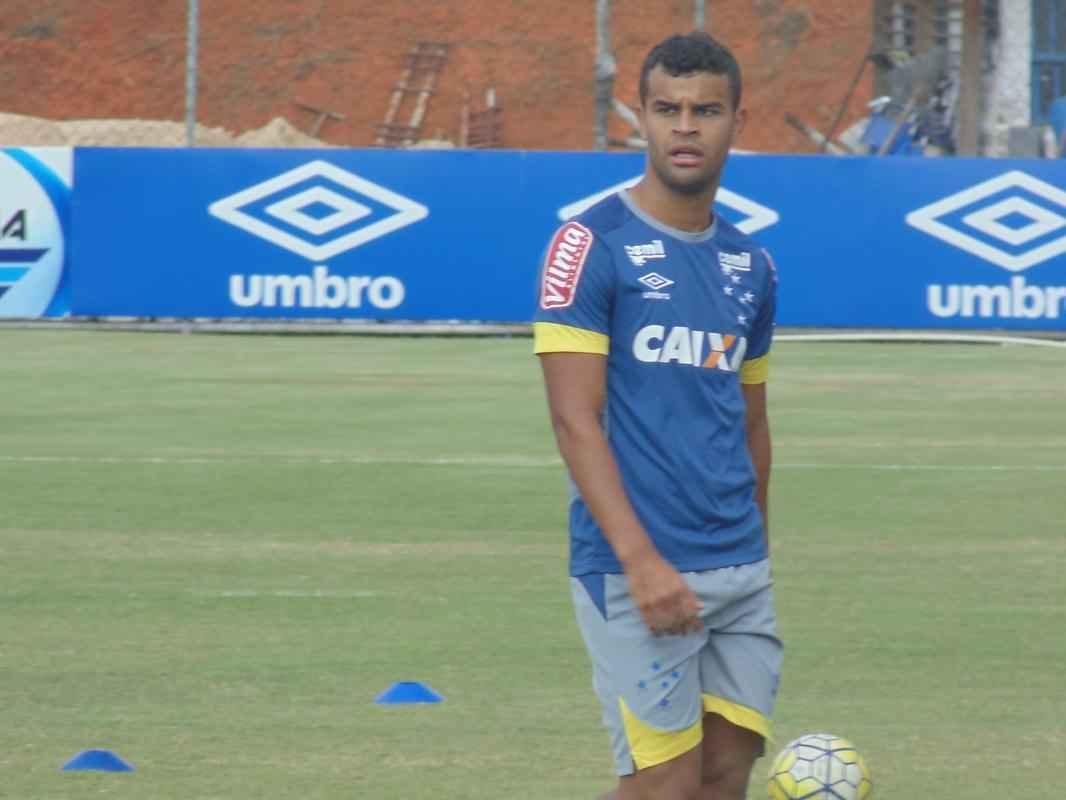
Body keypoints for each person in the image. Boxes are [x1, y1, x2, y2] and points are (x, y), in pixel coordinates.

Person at [532, 32, 782, 800]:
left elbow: (751, 423)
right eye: (667, 109)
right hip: (639, 566)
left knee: (723, 777)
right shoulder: (588, 244)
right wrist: (640, 562)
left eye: (705, 110)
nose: (685, 127)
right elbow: (577, 421)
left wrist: (757, 551)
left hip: (738, 567)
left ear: (737, 119)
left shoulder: (752, 265)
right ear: (637, 116)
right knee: (663, 786)